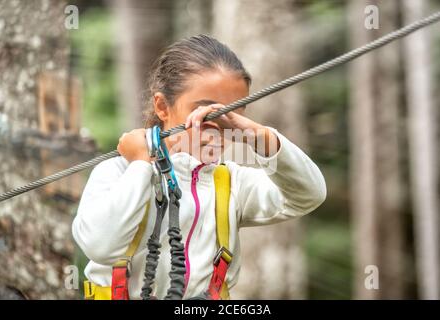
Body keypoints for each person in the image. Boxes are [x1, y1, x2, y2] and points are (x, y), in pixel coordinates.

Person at [72, 34, 326, 300]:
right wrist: (141, 165)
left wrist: (256, 134)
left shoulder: (232, 184)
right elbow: (99, 246)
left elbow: (308, 194)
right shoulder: (119, 172)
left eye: (233, 113)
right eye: (205, 111)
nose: (218, 123)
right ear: (162, 106)